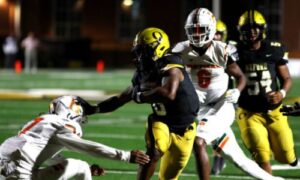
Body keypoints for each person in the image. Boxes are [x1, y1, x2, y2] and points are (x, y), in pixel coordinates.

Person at [172, 8, 284, 180]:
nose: (196, 34)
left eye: (200, 30)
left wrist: (237, 91)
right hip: (198, 110)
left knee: (198, 141)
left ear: (210, 29)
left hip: (221, 106)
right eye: (192, 30)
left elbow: (240, 77)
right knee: (241, 161)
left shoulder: (222, 50)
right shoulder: (180, 50)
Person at [90, 27, 200, 180]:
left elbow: (169, 93)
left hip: (186, 128)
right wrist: (93, 109)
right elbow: (121, 98)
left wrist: (141, 96)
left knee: (168, 177)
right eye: (138, 51)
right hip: (162, 121)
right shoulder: (143, 72)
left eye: (144, 51)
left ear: (158, 48)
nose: (140, 56)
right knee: (154, 151)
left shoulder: (171, 63)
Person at [0, 95, 150, 180]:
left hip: (6, 164)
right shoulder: (62, 124)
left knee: (82, 167)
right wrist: (125, 156)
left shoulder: (38, 123)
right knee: (81, 166)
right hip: (20, 171)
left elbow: (51, 156)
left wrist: (88, 170)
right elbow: (88, 147)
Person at [235, 9, 298, 174]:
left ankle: (290, 157)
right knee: (261, 155)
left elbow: (287, 79)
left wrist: (282, 94)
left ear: (262, 29)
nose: (252, 32)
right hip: (249, 113)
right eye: (247, 29)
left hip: (275, 111)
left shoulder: (274, 49)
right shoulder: (235, 52)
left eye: (255, 28)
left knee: (286, 155)